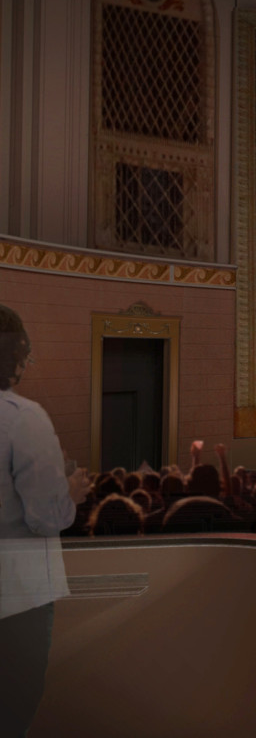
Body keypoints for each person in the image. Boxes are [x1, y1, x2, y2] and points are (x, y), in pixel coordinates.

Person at [0, 304, 92, 734]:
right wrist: (70, 491)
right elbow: (46, 517)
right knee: (14, 706)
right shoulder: (23, 419)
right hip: (18, 597)